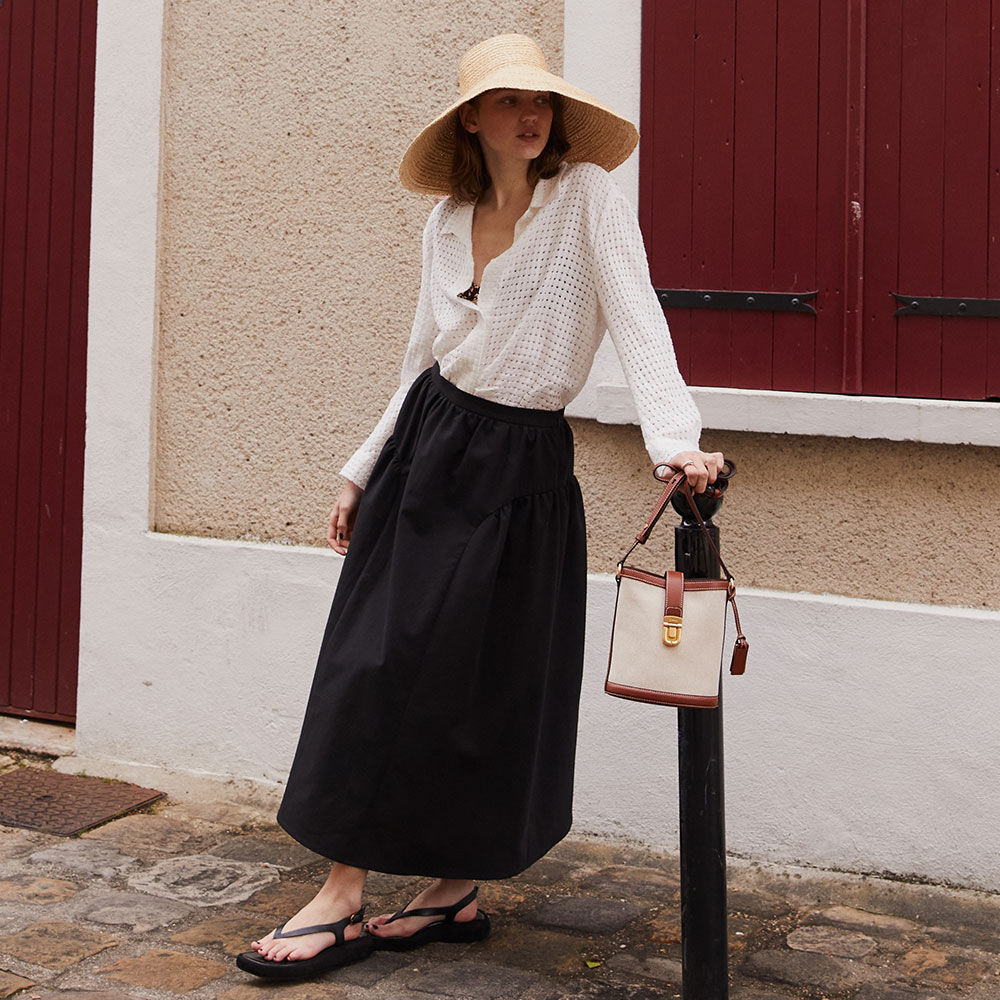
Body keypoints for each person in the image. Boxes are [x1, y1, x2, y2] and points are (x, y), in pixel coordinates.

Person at [236, 33, 724, 981]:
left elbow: (637, 315)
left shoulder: (585, 199)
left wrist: (674, 439)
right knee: (372, 664)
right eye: (506, 102)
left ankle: (454, 888)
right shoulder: (447, 221)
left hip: (522, 469)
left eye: (539, 101)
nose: (529, 116)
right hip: (427, 450)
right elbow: (422, 358)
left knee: (486, 682)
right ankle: (342, 890)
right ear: (472, 118)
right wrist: (360, 470)